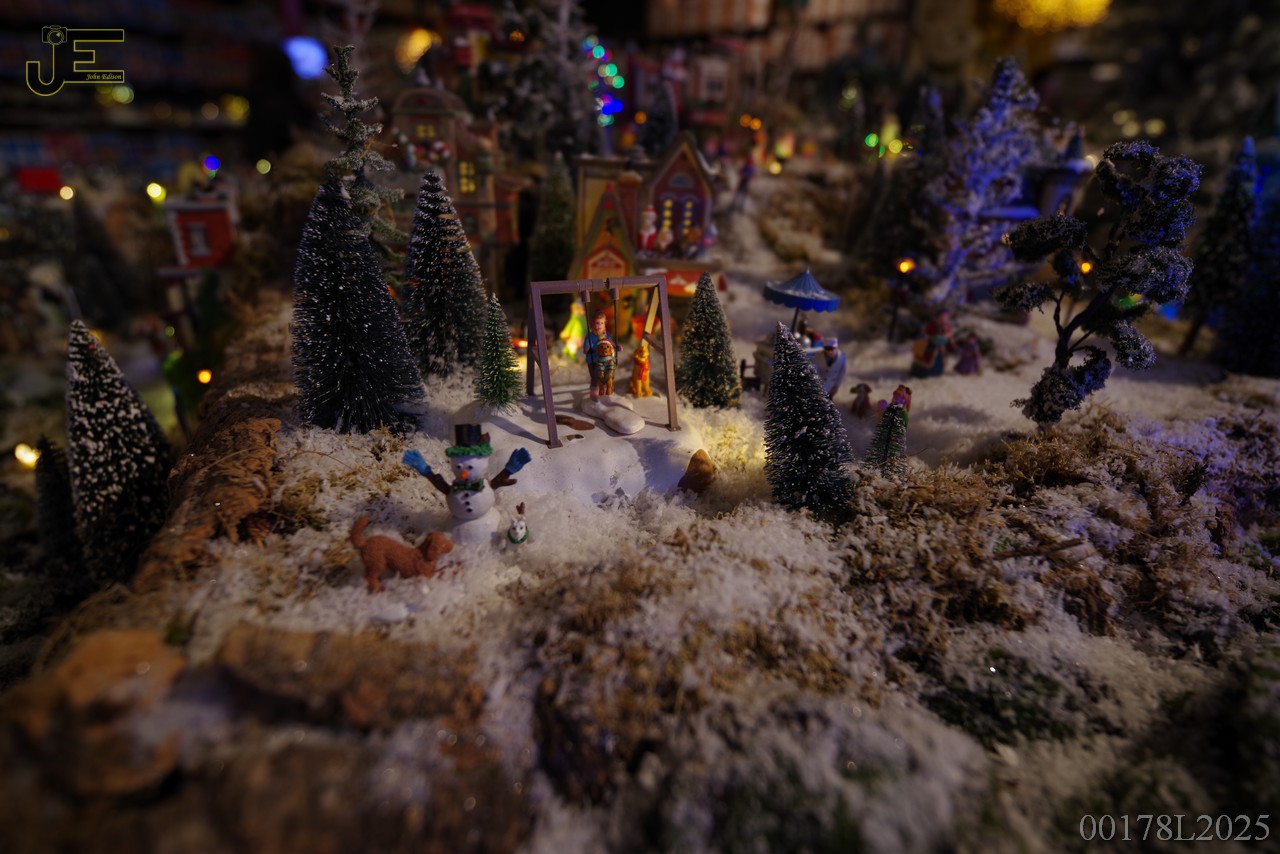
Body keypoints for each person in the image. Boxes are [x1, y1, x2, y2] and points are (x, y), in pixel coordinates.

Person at [584, 309, 619, 399]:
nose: (599, 325)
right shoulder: (590, 336)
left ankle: (607, 390)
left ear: (605, 323)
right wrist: (588, 349)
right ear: (592, 323)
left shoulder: (606, 335)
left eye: (602, 323)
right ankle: (594, 391)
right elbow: (586, 347)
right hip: (594, 360)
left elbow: (611, 344)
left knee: (608, 375)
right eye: (597, 323)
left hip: (605, 360)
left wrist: (616, 347)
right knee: (596, 376)